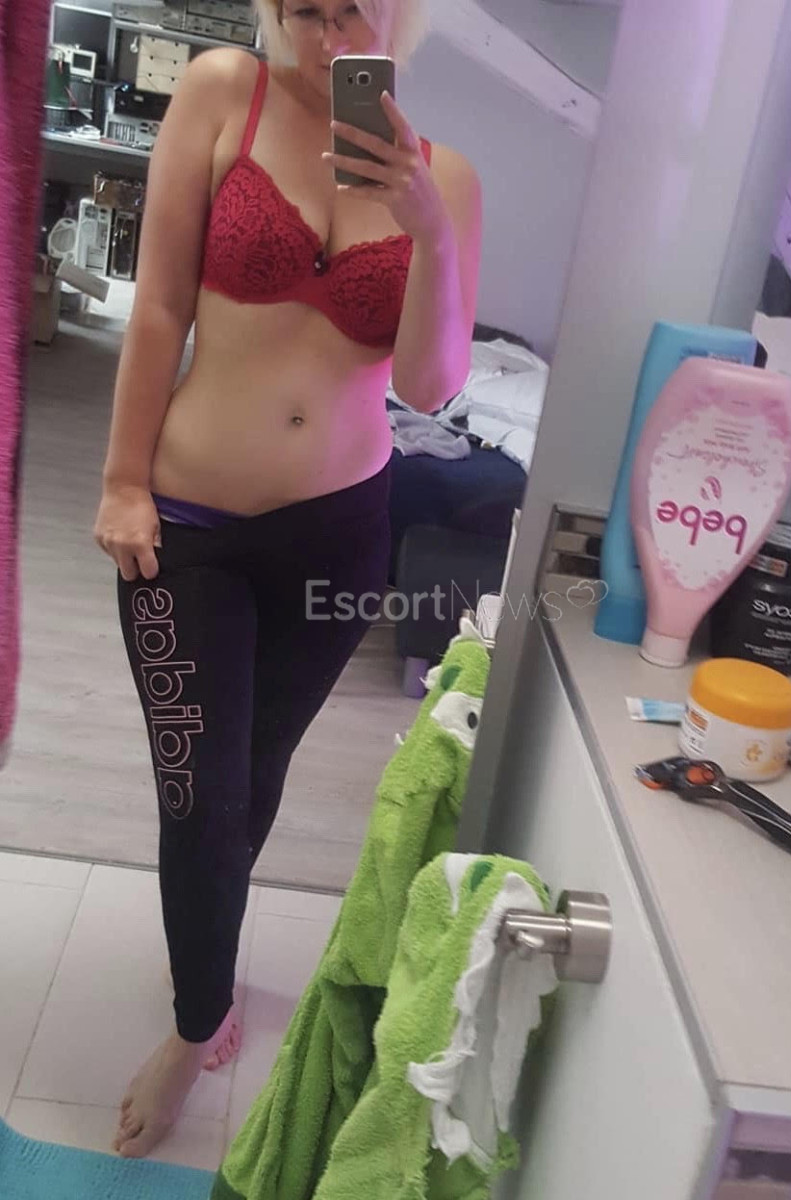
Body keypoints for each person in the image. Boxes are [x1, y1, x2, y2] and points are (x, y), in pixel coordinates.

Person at [93, 0, 481, 1159]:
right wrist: (122, 480)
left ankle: (204, 961)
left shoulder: (448, 178)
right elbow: (160, 306)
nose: (328, 34)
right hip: (188, 526)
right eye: (304, 9)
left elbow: (429, 385)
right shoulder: (225, 92)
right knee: (198, 791)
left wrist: (428, 227)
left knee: (253, 775)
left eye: (353, 7)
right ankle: (194, 1022)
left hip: (338, 540)